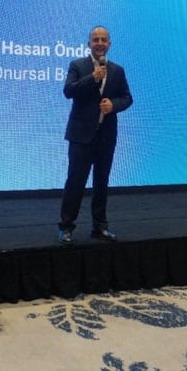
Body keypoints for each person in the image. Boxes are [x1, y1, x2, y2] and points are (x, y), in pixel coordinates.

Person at [58, 26, 133, 244]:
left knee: (101, 182)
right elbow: (68, 91)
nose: (100, 43)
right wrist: (92, 77)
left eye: (103, 40)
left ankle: (100, 227)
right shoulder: (77, 65)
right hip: (81, 135)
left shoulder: (117, 70)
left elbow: (127, 98)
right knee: (76, 182)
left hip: (106, 136)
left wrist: (114, 105)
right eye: (95, 39)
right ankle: (66, 227)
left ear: (109, 44)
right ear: (89, 44)